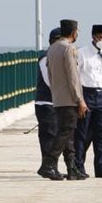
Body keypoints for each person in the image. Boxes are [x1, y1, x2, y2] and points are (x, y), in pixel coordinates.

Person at [38, 19, 88, 181]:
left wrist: (56, 93)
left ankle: (71, 168)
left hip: (58, 97)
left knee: (67, 134)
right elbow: (73, 77)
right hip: (69, 98)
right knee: (65, 133)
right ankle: (48, 164)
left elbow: (51, 76)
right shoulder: (68, 49)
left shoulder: (52, 49)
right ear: (73, 32)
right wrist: (80, 100)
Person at [75, 24, 102, 179]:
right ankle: (78, 167)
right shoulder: (82, 53)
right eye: (101, 37)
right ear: (93, 37)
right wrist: (79, 100)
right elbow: (76, 78)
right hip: (86, 94)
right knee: (82, 133)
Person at [34, 27, 62, 166]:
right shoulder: (46, 57)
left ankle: (52, 166)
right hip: (46, 103)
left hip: (56, 102)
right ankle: (48, 166)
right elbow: (49, 81)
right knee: (48, 135)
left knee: (56, 136)